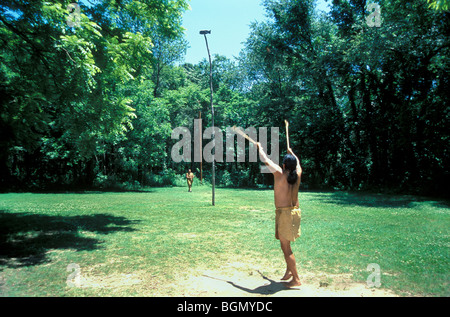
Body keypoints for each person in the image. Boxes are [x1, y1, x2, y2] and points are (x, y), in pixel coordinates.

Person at [256, 143, 302, 288]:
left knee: (286, 248)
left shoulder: (279, 173)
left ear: (283, 165)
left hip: (285, 214)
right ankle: (289, 271)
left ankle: (296, 279)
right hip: (294, 212)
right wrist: (293, 153)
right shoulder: (298, 173)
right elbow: (299, 164)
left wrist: (259, 147)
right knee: (285, 244)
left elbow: (265, 160)